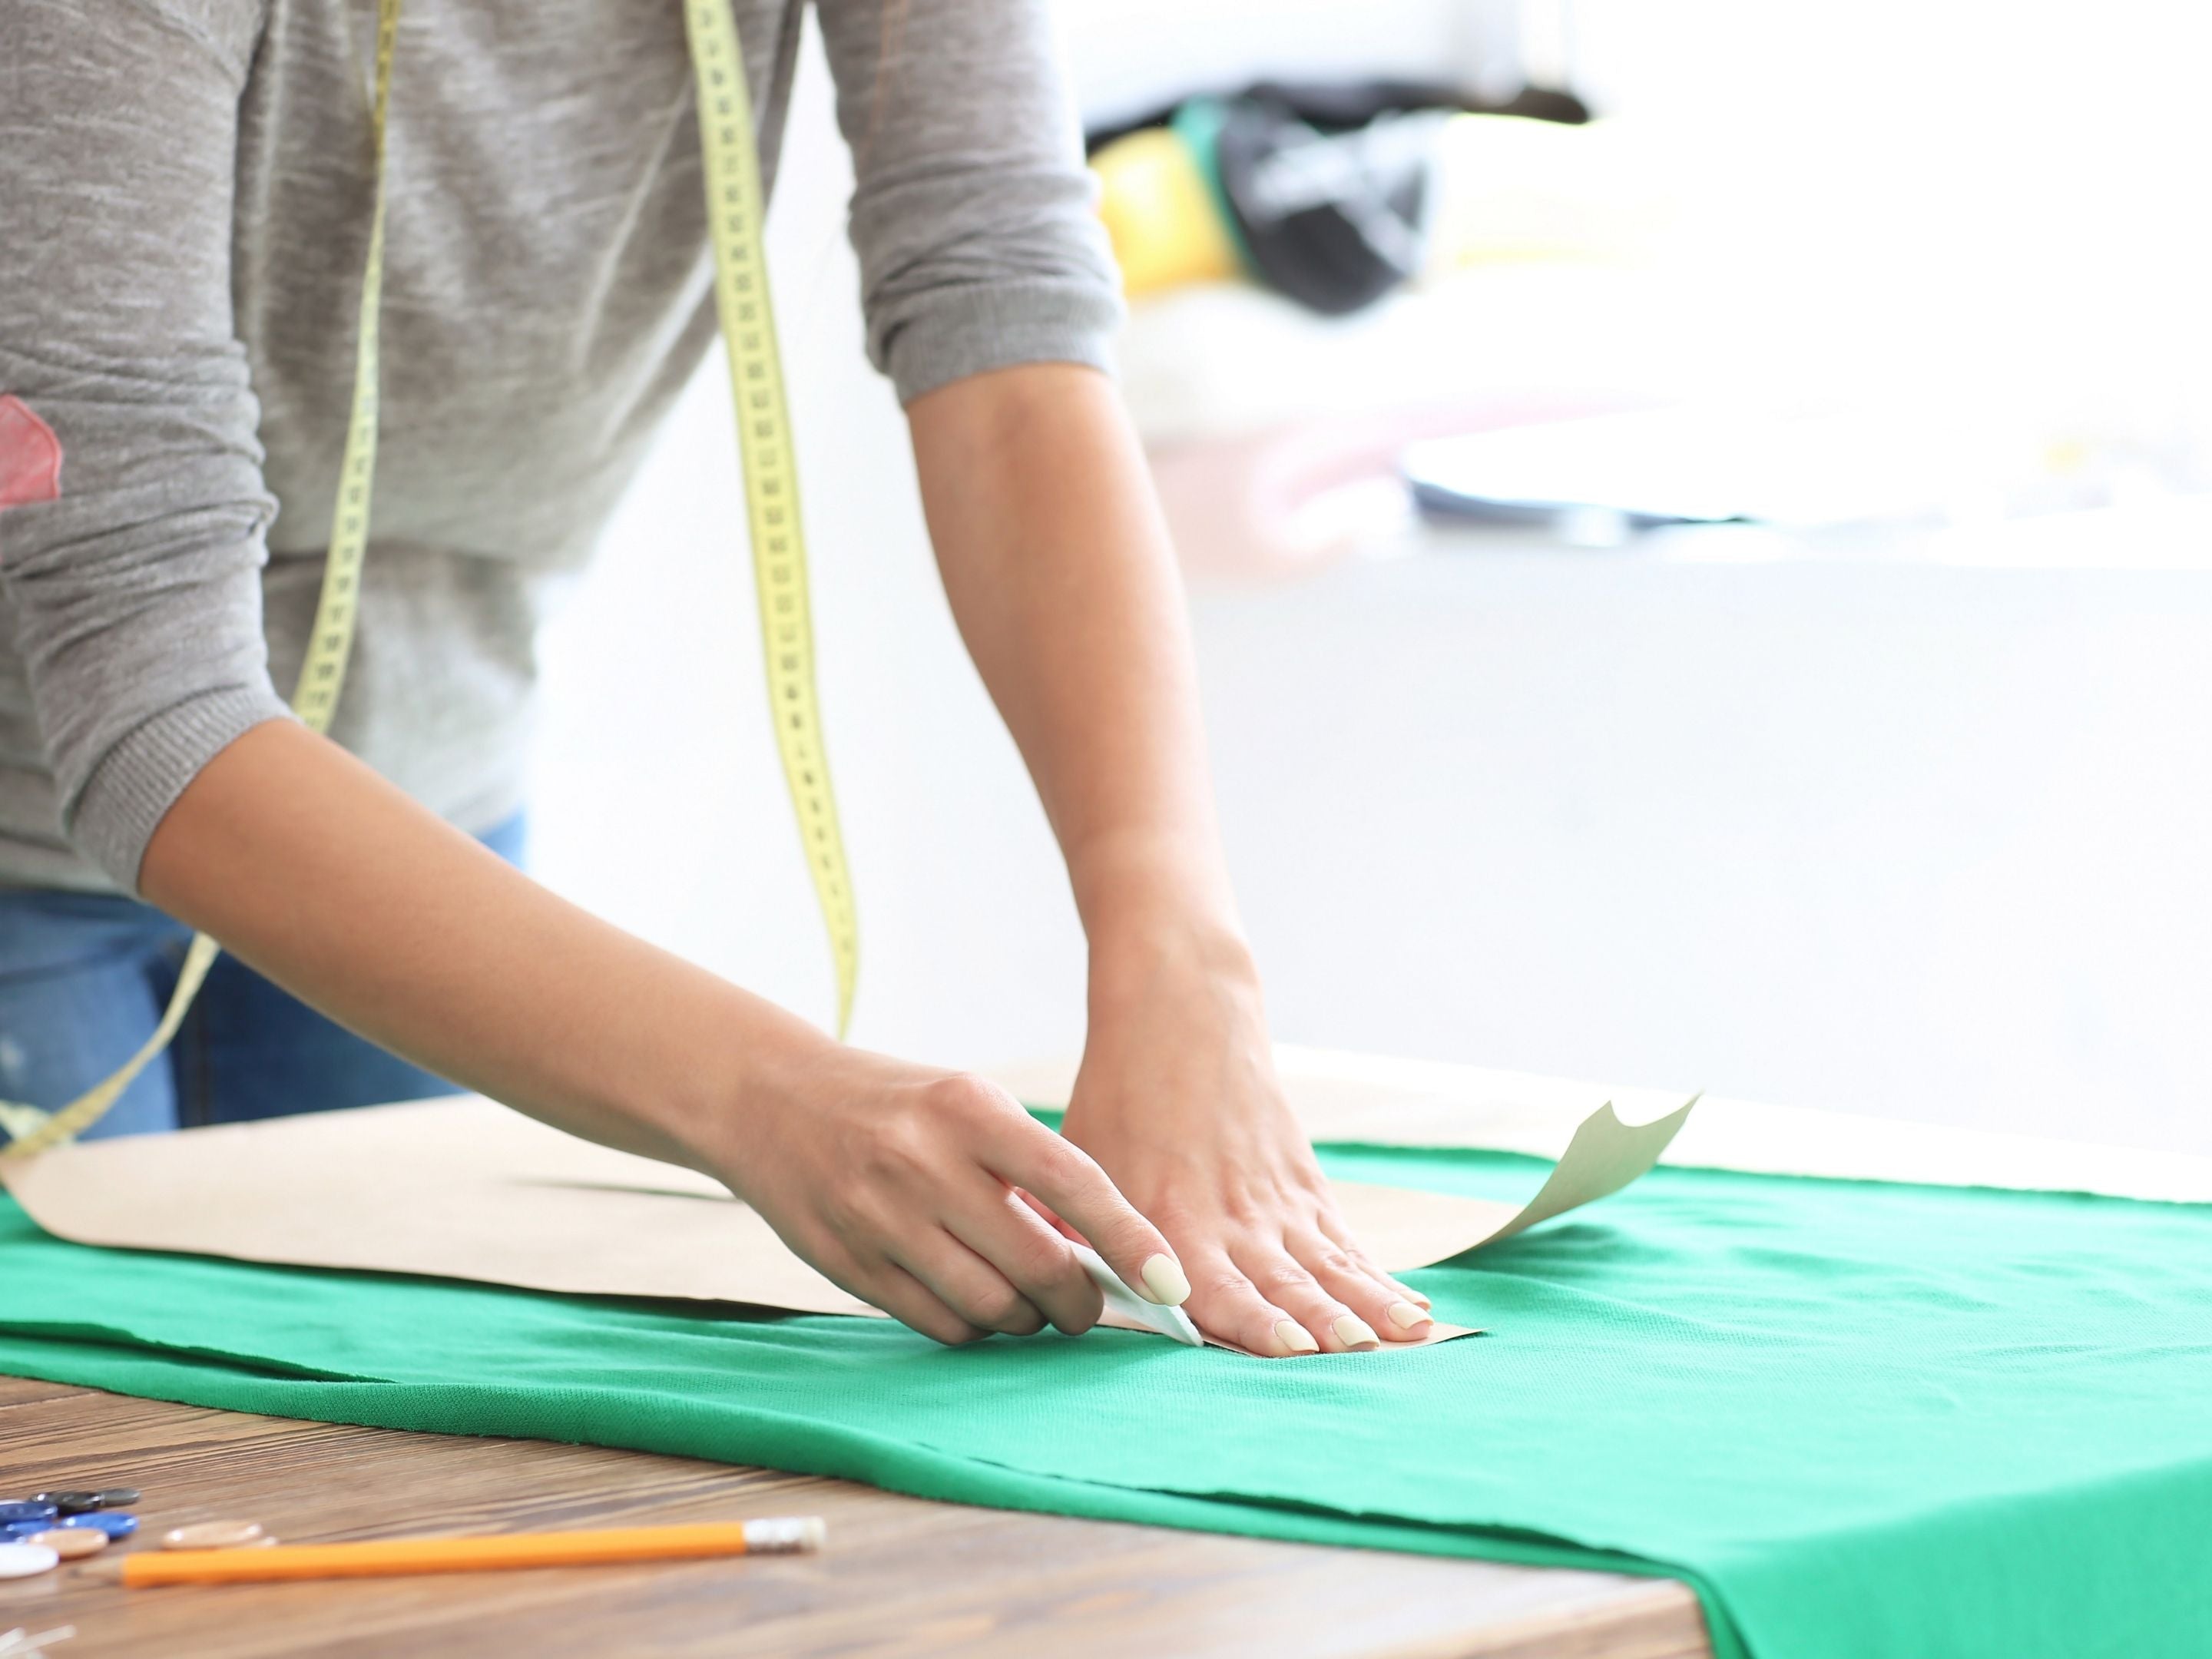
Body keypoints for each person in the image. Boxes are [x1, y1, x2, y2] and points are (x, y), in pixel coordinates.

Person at [0, 0, 1433, 1357]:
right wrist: (768, 1097)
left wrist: (1180, 951)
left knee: (392, 1501)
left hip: (424, 797)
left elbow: (1003, 305)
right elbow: (149, 698)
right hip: (35, 808)